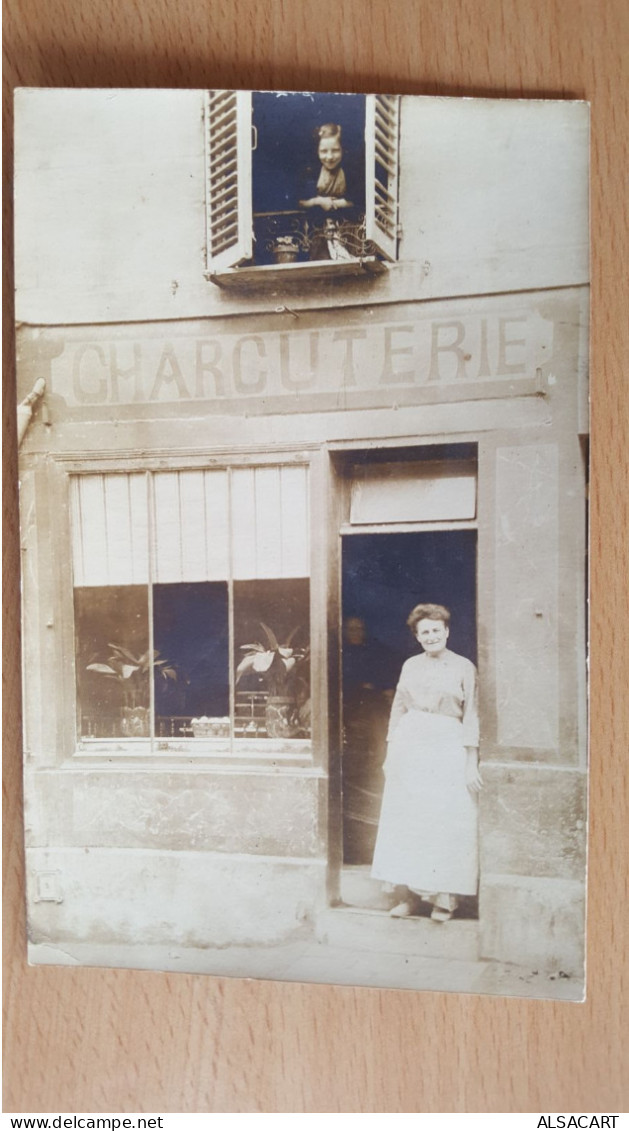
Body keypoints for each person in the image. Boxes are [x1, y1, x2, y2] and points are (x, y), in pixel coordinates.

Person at [371, 603, 482, 922]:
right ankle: (411, 896)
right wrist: (391, 755)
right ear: (417, 637)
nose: (431, 636)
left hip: (448, 746)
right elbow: (398, 709)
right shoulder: (410, 666)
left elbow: (472, 713)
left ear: (447, 631)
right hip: (411, 746)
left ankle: (444, 900)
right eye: (424, 632)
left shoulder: (464, 667)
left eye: (436, 630)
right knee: (410, 820)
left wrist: (471, 762)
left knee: (443, 820)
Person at [298, 124, 356, 261]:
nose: (329, 157)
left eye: (335, 150)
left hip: (348, 230)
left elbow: (358, 199)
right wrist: (318, 201)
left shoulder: (350, 171)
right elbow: (299, 201)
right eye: (324, 151)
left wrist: (334, 204)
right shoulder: (310, 172)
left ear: (343, 150)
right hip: (315, 231)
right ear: (317, 151)